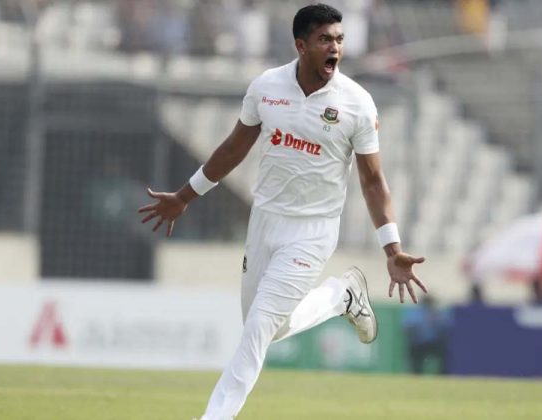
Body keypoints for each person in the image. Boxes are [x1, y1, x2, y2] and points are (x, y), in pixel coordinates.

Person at [137, 4, 428, 419]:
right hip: (265, 222)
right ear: (301, 45)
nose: (335, 48)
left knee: (258, 327)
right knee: (266, 327)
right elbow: (234, 147)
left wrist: (392, 248)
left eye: (339, 40)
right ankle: (340, 296)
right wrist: (185, 196)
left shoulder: (357, 104)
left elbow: (373, 181)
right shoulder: (267, 87)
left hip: (313, 231)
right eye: (325, 39)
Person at [402, 295, 452, 375]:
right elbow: (408, 326)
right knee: (415, 357)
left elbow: (446, 326)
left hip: (434, 343)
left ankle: (442, 374)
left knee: (445, 354)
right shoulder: (417, 312)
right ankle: (416, 374)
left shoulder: (437, 313)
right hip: (419, 343)